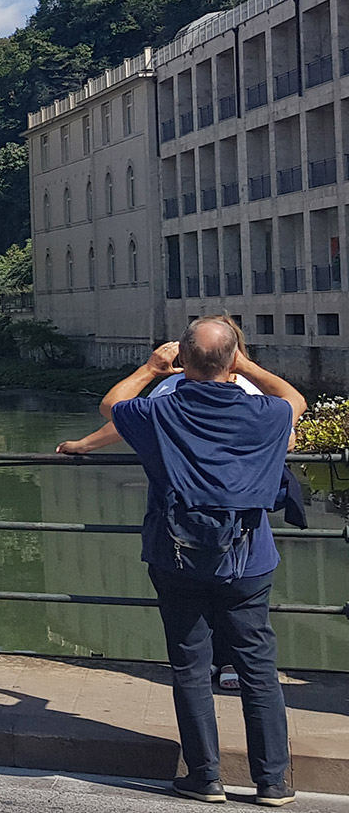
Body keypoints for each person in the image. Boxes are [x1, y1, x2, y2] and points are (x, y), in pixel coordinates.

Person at [104, 320, 304, 806]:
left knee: (190, 665)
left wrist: (151, 368)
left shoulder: (160, 411)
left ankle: (205, 776)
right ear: (232, 360)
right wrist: (247, 365)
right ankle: (272, 781)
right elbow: (295, 400)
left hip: (177, 554)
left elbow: (112, 404)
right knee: (258, 668)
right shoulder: (265, 414)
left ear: (183, 362)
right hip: (248, 557)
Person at [58, 315, 257, 691]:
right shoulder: (251, 390)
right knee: (234, 585)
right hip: (238, 511)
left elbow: (120, 413)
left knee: (194, 600)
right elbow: (288, 422)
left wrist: (150, 369)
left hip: (178, 514)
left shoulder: (170, 389)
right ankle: (230, 662)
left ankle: (214, 666)